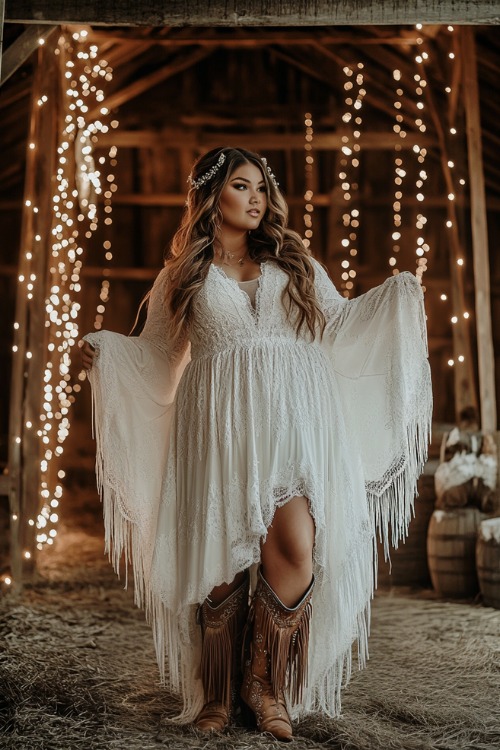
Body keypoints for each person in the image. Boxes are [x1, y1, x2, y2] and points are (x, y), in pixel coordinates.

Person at [81, 146, 432, 741]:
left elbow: (341, 325)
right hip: (217, 431)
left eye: (262, 190)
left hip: (291, 424)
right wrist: (109, 351)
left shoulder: (294, 266)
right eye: (242, 187)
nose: (256, 199)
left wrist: (395, 295)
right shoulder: (183, 277)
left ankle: (265, 684)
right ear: (212, 198)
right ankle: (215, 692)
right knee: (218, 564)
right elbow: (160, 357)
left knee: (295, 547)